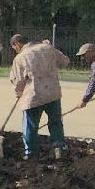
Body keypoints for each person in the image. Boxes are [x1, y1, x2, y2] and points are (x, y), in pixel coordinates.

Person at [8, 33, 69, 161]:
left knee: (30, 126)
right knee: (56, 122)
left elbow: (18, 80)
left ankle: (31, 153)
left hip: (33, 96)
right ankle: (59, 148)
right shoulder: (47, 48)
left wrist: (18, 91)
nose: (15, 51)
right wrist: (52, 48)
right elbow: (65, 61)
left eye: (14, 48)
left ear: (17, 44)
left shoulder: (21, 57)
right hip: (53, 93)